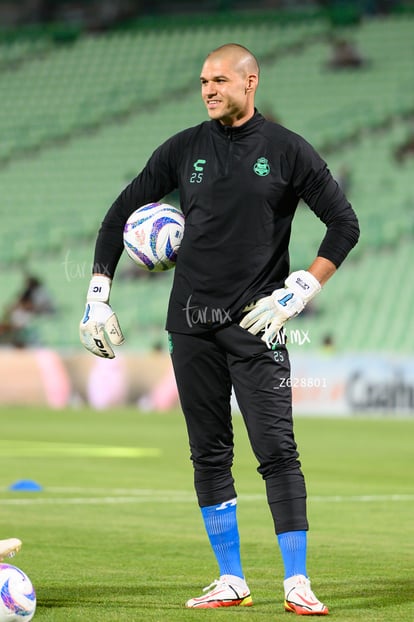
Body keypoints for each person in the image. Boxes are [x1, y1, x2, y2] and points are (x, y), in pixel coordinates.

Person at [80, 43, 359, 614]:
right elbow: (118, 214)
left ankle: (296, 582)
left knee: (277, 450)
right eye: (203, 80)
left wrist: (301, 288)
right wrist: (97, 295)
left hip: (261, 325)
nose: (208, 89)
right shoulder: (183, 149)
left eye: (220, 80)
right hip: (190, 326)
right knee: (208, 453)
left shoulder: (287, 151)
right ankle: (231, 579)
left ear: (250, 81)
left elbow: (343, 224)